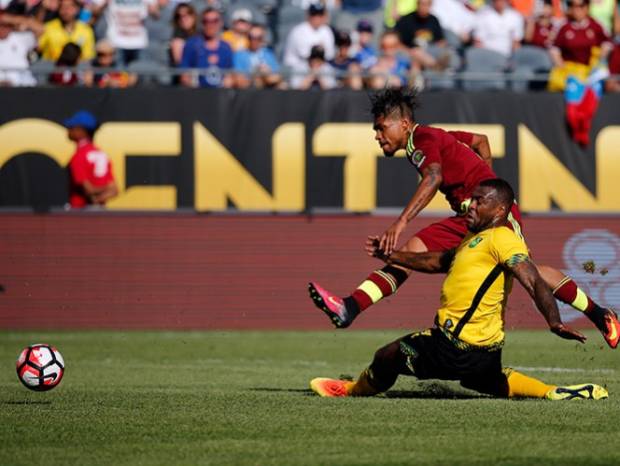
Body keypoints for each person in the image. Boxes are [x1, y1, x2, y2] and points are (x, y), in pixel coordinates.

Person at [308, 88, 620, 349]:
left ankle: (598, 314)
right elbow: (481, 140)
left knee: (526, 270)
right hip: (470, 215)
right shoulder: (436, 136)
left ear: (403, 124)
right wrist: (489, 183)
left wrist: (401, 221)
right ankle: (350, 307)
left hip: (493, 215)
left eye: (380, 128)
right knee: (409, 254)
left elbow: (433, 177)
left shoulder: (421, 143)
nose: (377, 136)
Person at [310, 179, 609, 401]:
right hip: (486, 351)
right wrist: (391, 256)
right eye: (471, 199)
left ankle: (350, 390)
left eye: (479, 201)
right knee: (489, 382)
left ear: (500, 209)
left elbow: (531, 278)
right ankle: (552, 392)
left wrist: (554, 320)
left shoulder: (502, 240)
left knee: (386, 356)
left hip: (452, 345)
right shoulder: (473, 238)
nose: (471, 205)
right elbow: (437, 260)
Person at [64, 110, 118, 208]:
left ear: (81, 130)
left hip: (79, 215)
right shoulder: (101, 154)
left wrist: (94, 197)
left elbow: (89, 190)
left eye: (71, 127)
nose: (68, 130)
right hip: (99, 214)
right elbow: (114, 190)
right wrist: (99, 199)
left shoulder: (79, 156)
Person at [90, 0, 159, 66]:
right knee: (118, 76)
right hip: (116, 43)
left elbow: (157, 15)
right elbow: (94, 11)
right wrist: (104, 4)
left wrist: (152, 10)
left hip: (139, 43)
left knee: (139, 75)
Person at [179, 7, 233, 88]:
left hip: (220, 96)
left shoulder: (226, 47)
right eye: (206, 21)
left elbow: (229, 77)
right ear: (202, 23)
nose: (210, 25)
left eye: (215, 21)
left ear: (221, 23)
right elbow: (184, 76)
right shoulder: (192, 45)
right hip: (197, 95)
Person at [282, 3, 335, 77]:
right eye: (314, 15)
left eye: (320, 15)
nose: (317, 18)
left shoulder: (326, 30)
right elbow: (305, 55)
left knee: (329, 71)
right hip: (297, 66)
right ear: (308, 15)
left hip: (320, 66)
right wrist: (320, 49)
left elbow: (330, 55)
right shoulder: (299, 30)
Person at [233, 23, 282, 89]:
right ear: (247, 37)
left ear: (263, 39)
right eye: (251, 37)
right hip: (248, 90)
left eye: (259, 38)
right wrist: (256, 76)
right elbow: (239, 80)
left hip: (268, 87)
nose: (255, 41)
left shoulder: (268, 54)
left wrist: (265, 74)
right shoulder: (239, 55)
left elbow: (277, 76)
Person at [0, 15, 37, 86]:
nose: (3, 28)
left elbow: (40, 29)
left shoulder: (20, 37)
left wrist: (11, 19)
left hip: (23, 84)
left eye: (7, 25)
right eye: (1, 25)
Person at [169, 3, 197, 67]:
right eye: (179, 16)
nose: (183, 19)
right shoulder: (177, 39)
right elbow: (180, 64)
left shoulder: (200, 34)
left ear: (194, 15)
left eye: (187, 14)